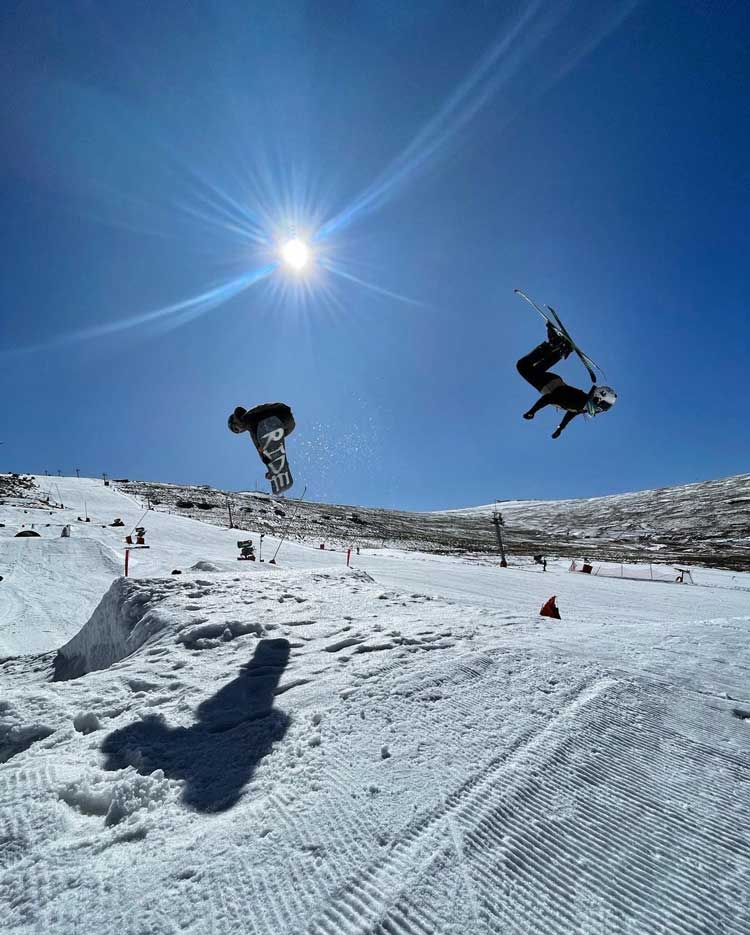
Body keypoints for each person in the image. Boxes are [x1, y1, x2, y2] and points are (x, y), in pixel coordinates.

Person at [517, 323, 616, 438]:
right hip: (547, 385)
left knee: (534, 368)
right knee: (523, 366)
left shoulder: (583, 405)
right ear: (598, 399)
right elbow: (549, 398)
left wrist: (560, 428)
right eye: (601, 407)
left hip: (554, 381)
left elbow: (572, 413)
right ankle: (556, 345)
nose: (598, 410)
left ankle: (561, 349)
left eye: (602, 409)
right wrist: (532, 411)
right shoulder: (580, 403)